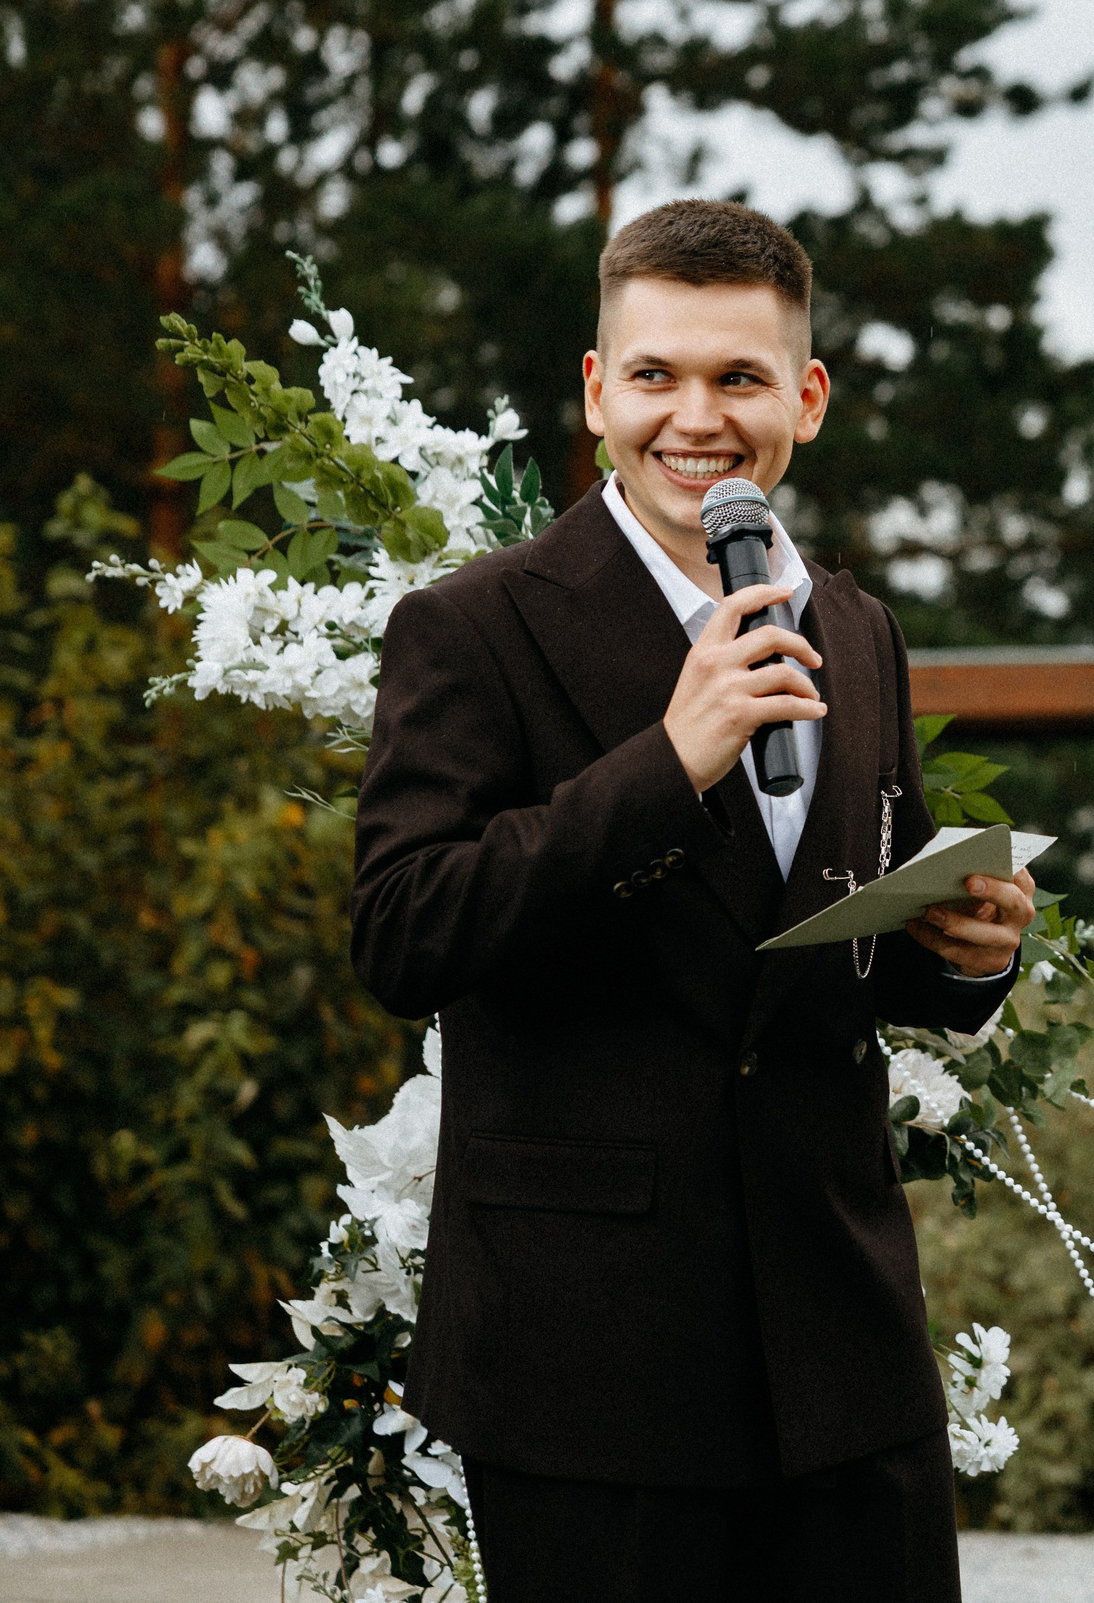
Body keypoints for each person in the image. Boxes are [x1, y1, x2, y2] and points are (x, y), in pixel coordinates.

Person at [349, 198, 1036, 1603]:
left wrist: (962, 955)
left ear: (808, 397)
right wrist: (668, 764)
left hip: (842, 1340)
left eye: (739, 376)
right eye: (655, 375)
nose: (696, 417)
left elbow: (813, 955)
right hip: (588, 1350)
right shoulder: (475, 626)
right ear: (596, 391)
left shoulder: (855, 627)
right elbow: (406, 929)